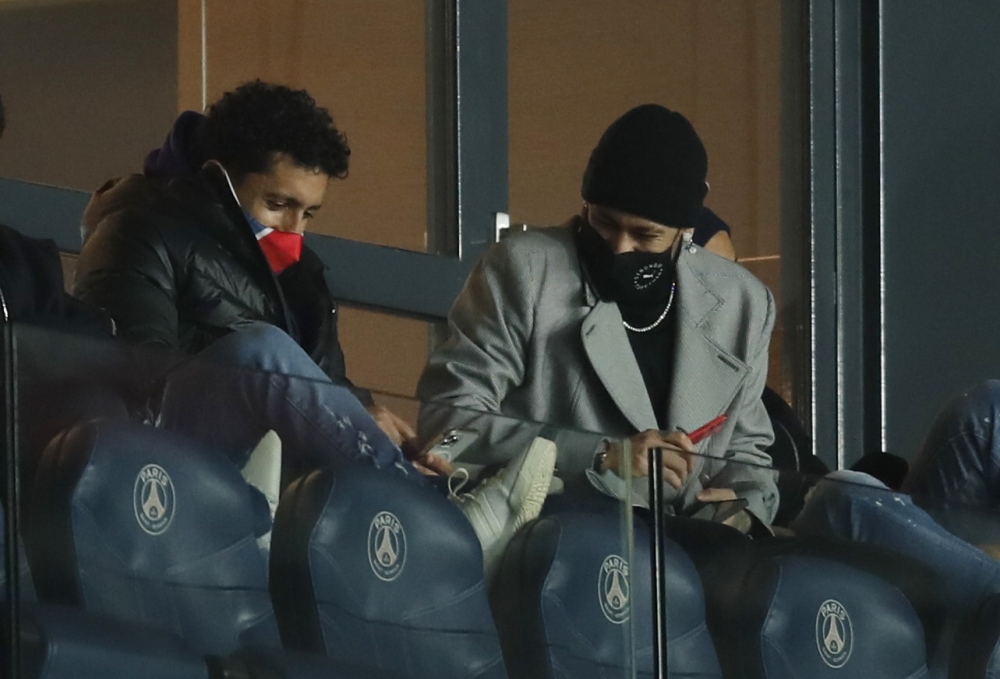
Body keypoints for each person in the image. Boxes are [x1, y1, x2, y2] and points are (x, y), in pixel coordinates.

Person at [72, 81, 555, 568]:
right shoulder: (135, 231)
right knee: (260, 353)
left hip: (276, 469)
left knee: (317, 390)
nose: (295, 230)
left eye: (308, 213)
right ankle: (444, 524)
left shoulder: (302, 278)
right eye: (278, 205)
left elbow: (317, 381)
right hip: (162, 455)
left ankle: (421, 497)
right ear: (219, 179)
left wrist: (361, 415)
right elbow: (134, 378)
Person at [418, 104, 779, 528]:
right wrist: (601, 454)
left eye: (645, 235)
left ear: (684, 231)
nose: (620, 248)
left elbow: (748, 449)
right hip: (559, 532)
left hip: (691, 547)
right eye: (604, 223)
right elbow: (450, 418)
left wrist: (746, 506)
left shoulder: (743, 304)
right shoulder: (526, 270)